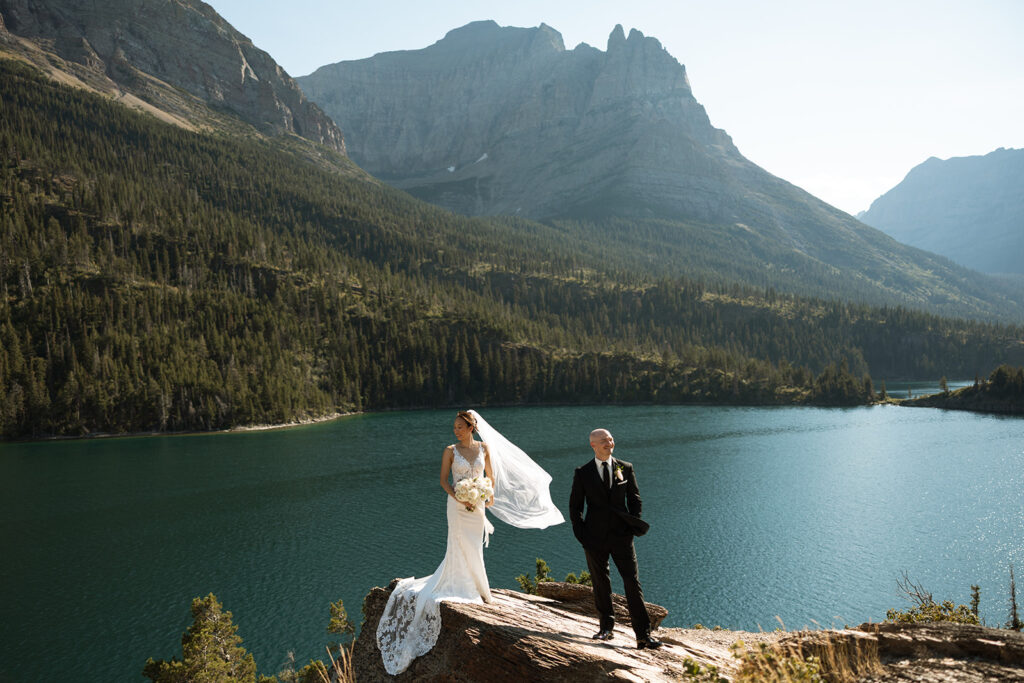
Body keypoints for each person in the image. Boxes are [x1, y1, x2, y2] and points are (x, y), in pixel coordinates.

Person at [376, 410, 564, 674]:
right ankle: (460, 584)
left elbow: (491, 477)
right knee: (458, 544)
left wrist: (488, 495)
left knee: (475, 545)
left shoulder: (484, 448)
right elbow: (443, 480)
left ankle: (479, 588)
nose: (456, 430)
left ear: (471, 427)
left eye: (460, 427)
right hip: (456, 504)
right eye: (454, 427)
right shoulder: (450, 451)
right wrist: (459, 497)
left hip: (477, 506)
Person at [569, 428, 662, 649]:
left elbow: (635, 500)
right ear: (593, 445)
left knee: (632, 582)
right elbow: (575, 507)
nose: (608, 443)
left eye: (610, 439)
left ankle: (643, 635)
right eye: (603, 440)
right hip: (593, 537)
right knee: (601, 583)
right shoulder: (583, 472)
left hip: (622, 537)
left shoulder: (625, 468)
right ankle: (606, 629)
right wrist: (582, 535)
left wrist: (632, 524)